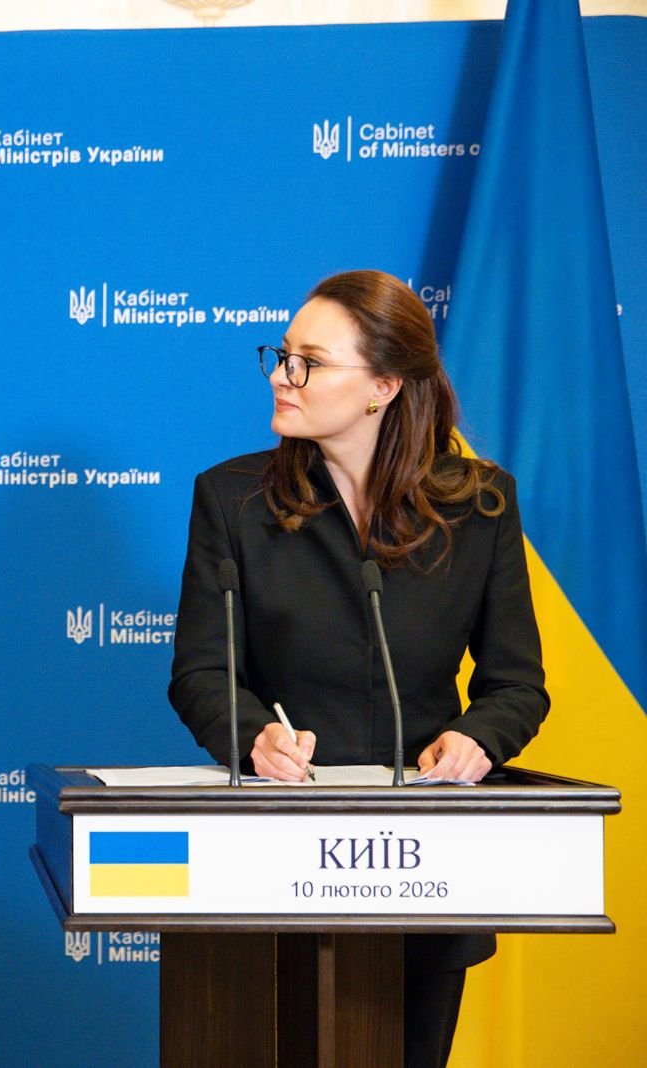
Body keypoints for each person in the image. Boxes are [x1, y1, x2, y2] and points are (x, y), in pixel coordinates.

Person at [167, 269, 548, 1067]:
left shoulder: (480, 506)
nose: (281, 375)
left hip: (428, 868)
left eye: (308, 361)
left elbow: (516, 685)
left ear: (382, 386)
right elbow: (202, 673)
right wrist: (252, 741)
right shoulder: (232, 500)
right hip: (276, 862)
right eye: (281, 354)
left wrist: (478, 741)